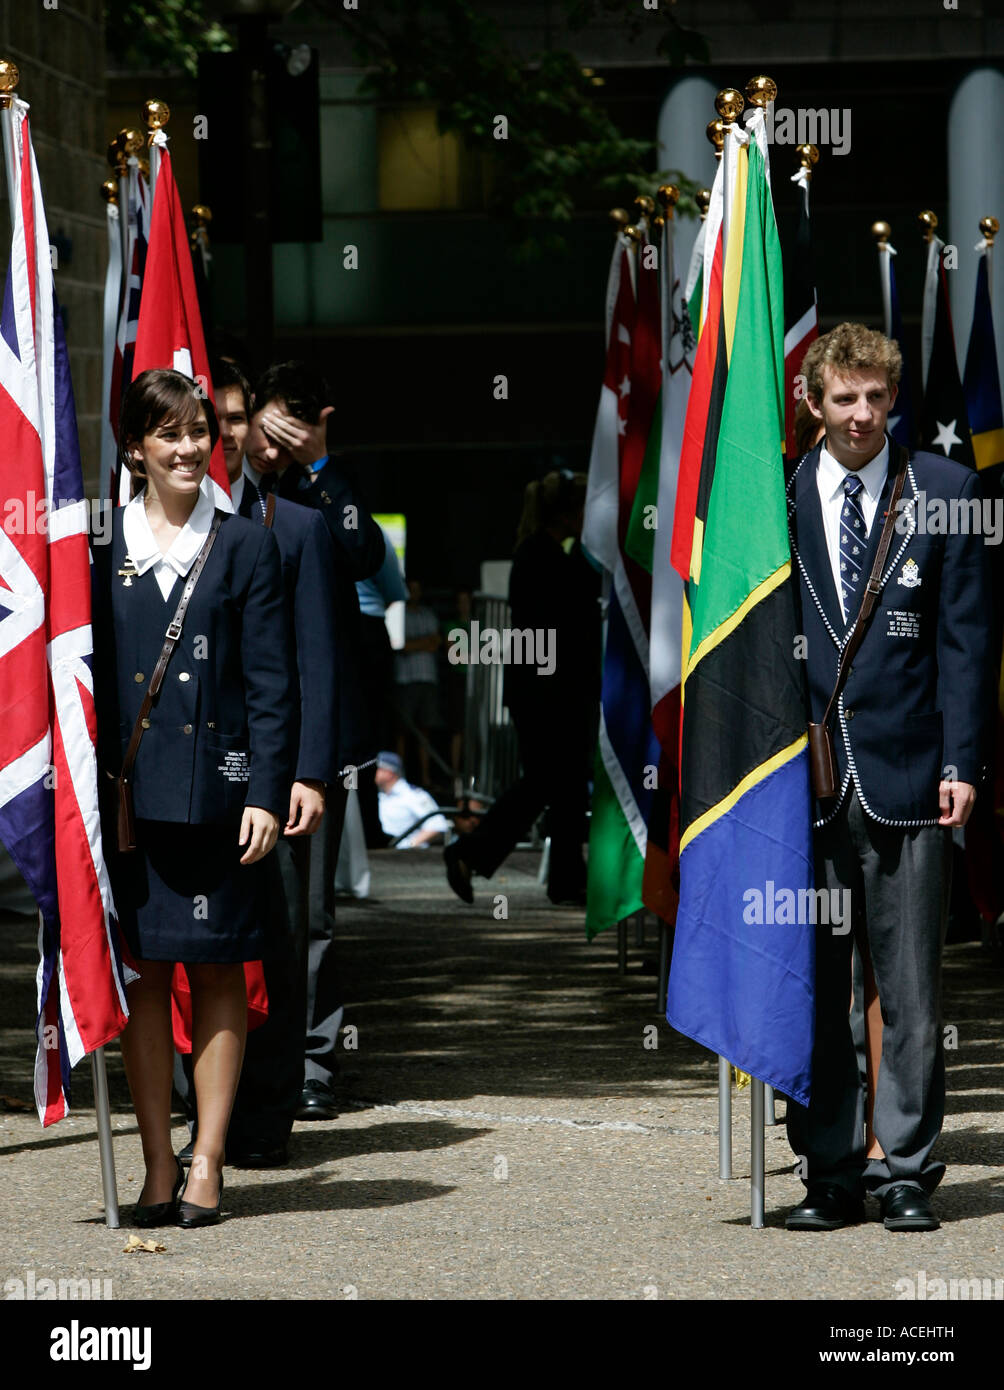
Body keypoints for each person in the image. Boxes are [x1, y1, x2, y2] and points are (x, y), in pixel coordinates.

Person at [784, 323, 992, 1233]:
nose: (862, 414)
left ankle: (904, 1166)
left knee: (909, 992)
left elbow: (968, 644)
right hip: (804, 788)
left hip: (914, 775)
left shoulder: (945, 491)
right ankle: (827, 1169)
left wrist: (963, 766)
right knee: (819, 990)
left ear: (893, 398)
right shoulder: (773, 500)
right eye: (844, 398)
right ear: (813, 403)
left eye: (877, 397)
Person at [92, 369, 293, 1226]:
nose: (188, 448)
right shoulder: (101, 549)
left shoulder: (247, 543)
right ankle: (155, 1165)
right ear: (135, 447)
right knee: (138, 980)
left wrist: (266, 791)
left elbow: (270, 682)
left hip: (220, 802)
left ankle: (208, 1159)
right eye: (168, 434)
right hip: (129, 806)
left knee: (217, 972)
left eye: (199, 432)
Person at [174, 359, 339, 1165]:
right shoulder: (166, 530)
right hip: (190, 776)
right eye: (218, 419)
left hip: (274, 775)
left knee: (275, 940)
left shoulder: (295, 526)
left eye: (237, 419)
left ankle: (267, 1113)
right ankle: (198, 1102)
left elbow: (316, 660)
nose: (228, 435)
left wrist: (309, 772)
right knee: (193, 942)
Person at [248, 361, 385, 1121]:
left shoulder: (324, 491)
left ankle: (312, 1065)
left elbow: (366, 556)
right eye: (262, 433)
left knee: (312, 915)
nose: (271, 450)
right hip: (243, 731)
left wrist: (319, 465)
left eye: (284, 435)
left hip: (318, 732)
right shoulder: (228, 497)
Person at [443, 470, 601, 907]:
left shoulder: (539, 554)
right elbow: (572, 614)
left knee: (561, 786)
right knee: (549, 783)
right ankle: (472, 852)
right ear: (566, 513)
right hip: (548, 694)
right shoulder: (545, 557)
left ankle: (566, 878)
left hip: (544, 690)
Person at [355, 525, 408, 847]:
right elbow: (393, 590)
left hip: (326, 628)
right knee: (368, 736)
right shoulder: (372, 533)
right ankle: (367, 826)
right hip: (367, 630)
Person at [394, 578, 442, 789]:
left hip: (427, 679)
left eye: (417, 589)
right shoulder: (399, 615)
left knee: (425, 730)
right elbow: (399, 645)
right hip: (406, 680)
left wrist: (415, 643)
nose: (414, 593)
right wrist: (423, 642)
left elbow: (436, 643)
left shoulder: (428, 615)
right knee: (402, 730)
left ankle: (425, 778)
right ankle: (400, 777)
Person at [375, 752, 452, 847]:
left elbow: (438, 824)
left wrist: (410, 845)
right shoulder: (380, 795)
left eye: (379, 769)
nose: (375, 773)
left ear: (389, 772)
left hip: (406, 857)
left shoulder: (412, 795)